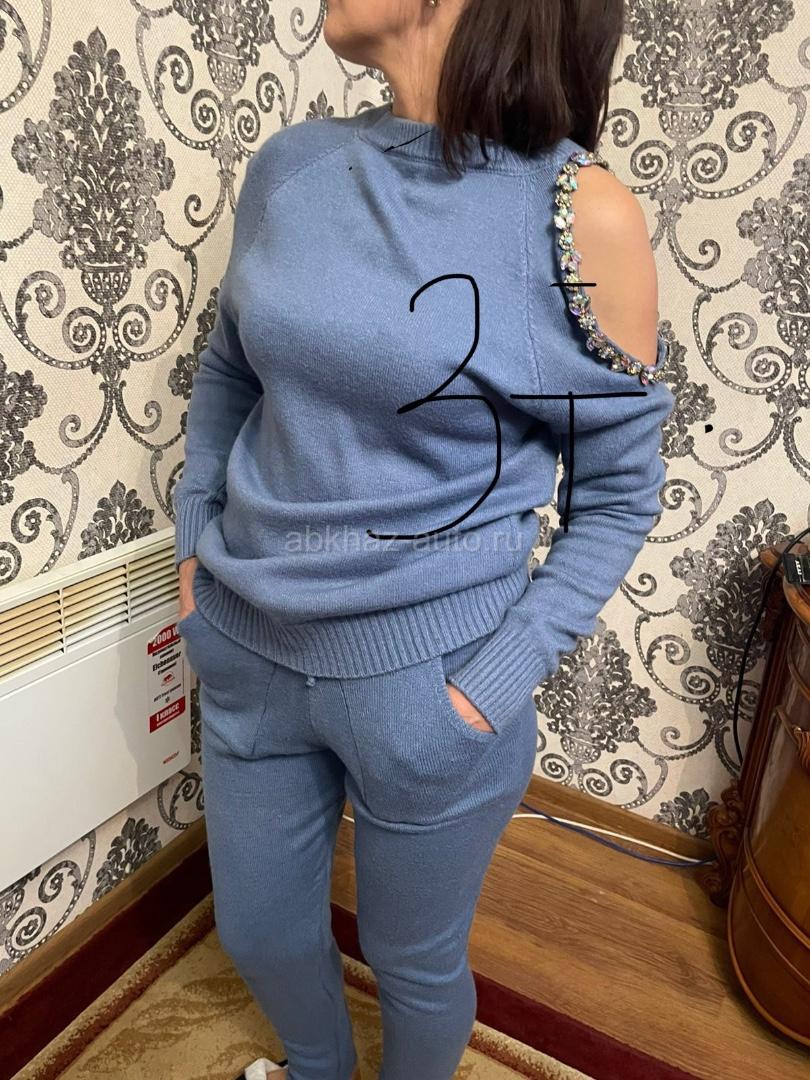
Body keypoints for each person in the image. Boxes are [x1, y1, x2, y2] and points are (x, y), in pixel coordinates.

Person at [173, 1, 677, 1078]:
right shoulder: (292, 167)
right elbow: (227, 372)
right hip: (246, 647)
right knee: (256, 931)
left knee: (413, 962)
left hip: (430, 687)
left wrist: (483, 690)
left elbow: (619, 496)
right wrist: (192, 545)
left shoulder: (583, 213)